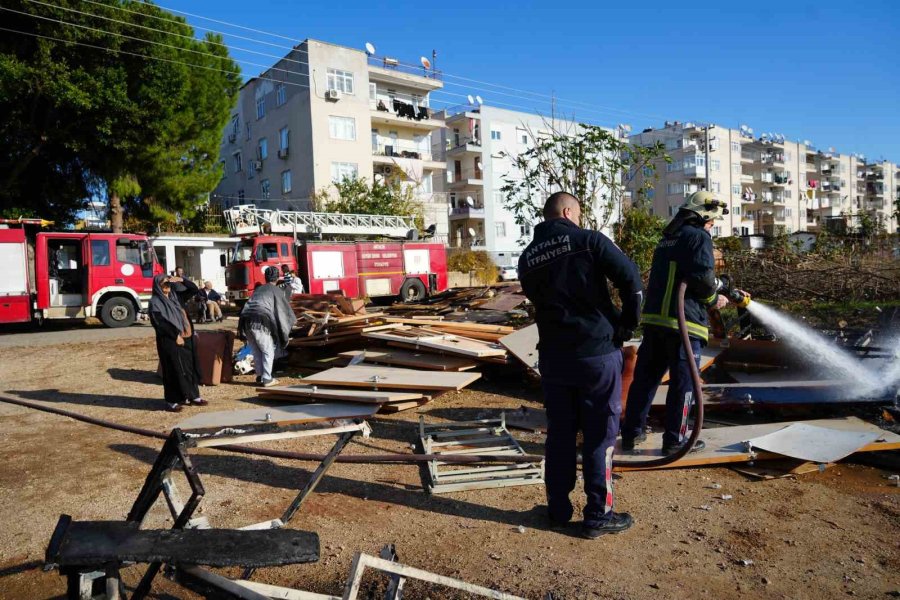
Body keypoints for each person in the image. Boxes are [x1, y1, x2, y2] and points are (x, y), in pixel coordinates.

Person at [518, 191, 643, 539]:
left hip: (554, 358)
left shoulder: (527, 258)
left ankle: (558, 510)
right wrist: (626, 325)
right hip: (596, 354)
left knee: (559, 434)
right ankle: (598, 515)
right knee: (599, 435)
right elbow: (631, 281)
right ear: (569, 212)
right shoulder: (588, 240)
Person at [621, 191, 745, 455]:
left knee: (645, 381)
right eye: (712, 221)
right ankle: (675, 441)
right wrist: (715, 299)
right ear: (704, 215)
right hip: (684, 324)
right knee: (683, 384)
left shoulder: (667, 239)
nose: (712, 226)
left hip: (655, 323)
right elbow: (701, 279)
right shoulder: (698, 236)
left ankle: (632, 434)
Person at [148, 274, 207, 412]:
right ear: (157, 286)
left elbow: (193, 289)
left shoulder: (176, 297)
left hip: (186, 337)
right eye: (164, 284)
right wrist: (175, 335)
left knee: (189, 367)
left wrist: (182, 280)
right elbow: (159, 323)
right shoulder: (155, 302)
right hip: (169, 340)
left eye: (168, 284)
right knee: (173, 369)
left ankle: (193, 396)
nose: (167, 286)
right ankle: (172, 400)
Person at [238, 266, 297, 387]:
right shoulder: (276, 290)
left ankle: (260, 376)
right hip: (260, 321)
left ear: (265, 277)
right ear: (277, 278)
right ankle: (267, 379)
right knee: (268, 350)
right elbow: (283, 311)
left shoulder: (258, 289)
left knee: (256, 350)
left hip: (245, 320)